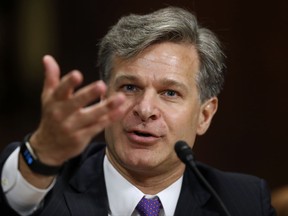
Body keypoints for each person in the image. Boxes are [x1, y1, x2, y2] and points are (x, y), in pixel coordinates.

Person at [0, 6, 275, 216]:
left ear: (204, 115)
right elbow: (18, 198)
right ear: (104, 95)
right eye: (130, 87)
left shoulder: (243, 201)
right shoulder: (50, 182)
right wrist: (43, 156)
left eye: (170, 93)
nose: (145, 110)